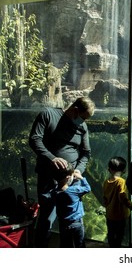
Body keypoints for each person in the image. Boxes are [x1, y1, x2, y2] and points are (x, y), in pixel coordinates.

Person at [29, 96, 95, 247]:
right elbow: (34, 139)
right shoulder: (48, 115)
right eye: (83, 118)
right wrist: (51, 158)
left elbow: (86, 153)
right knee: (46, 217)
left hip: (71, 180)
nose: (84, 122)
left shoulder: (82, 127)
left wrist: (78, 171)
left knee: (72, 219)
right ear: (75, 110)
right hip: (48, 177)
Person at [53, 161, 91, 247]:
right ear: (68, 177)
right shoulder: (73, 190)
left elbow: (60, 186)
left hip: (63, 224)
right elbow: (87, 188)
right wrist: (81, 178)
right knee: (80, 244)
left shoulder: (54, 192)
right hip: (76, 223)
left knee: (66, 245)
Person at [103, 156, 132, 247]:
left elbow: (105, 198)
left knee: (111, 233)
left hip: (110, 214)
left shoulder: (106, 182)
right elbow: (122, 196)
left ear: (109, 169)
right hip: (120, 215)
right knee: (119, 235)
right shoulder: (121, 182)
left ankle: (112, 247)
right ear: (124, 170)